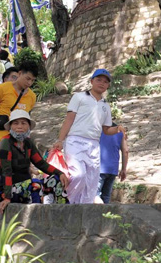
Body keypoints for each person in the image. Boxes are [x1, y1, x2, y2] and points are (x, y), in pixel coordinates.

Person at [53, 69, 127, 204]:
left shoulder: (106, 106)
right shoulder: (79, 97)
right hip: (75, 141)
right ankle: (69, 203)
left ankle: (84, 209)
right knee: (78, 175)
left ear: (108, 85)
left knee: (91, 182)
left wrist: (117, 129)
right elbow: (69, 119)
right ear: (92, 81)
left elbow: (106, 130)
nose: (102, 83)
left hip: (94, 145)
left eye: (105, 81)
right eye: (99, 80)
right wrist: (60, 140)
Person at [0, 61, 39, 200]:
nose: (29, 83)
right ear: (19, 74)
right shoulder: (1, 89)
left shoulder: (32, 97)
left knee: (19, 177)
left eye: (32, 80)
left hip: (20, 143)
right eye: (27, 78)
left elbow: (27, 120)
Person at [0, 110, 69, 213]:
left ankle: (64, 212)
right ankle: (37, 215)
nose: (19, 126)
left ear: (28, 127)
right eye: (16, 123)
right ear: (11, 126)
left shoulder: (28, 143)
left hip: (26, 185)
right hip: (7, 189)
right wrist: (7, 197)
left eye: (23, 123)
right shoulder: (5, 143)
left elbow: (41, 163)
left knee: (56, 179)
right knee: (35, 184)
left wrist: (60, 173)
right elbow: (6, 172)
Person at [97, 125, 128, 204]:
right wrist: (124, 169)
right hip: (113, 170)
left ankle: (99, 213)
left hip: (99, 168)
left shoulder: (97, 129)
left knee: (95, 195)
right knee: (106, 197)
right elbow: (125, 151)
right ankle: (106, 215)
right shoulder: (120, 131)